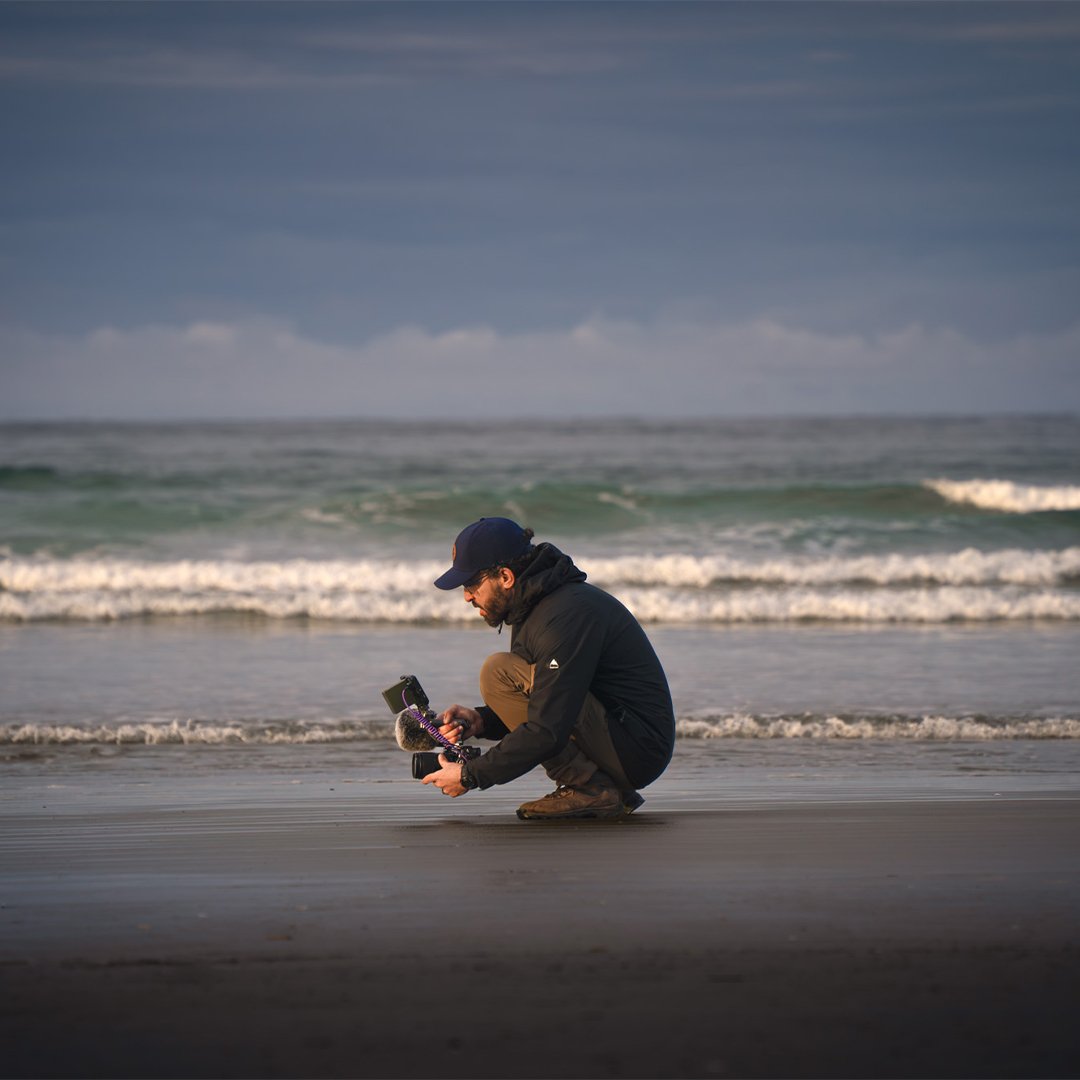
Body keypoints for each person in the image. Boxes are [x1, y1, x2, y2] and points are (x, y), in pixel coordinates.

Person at [421, 517, 676, 819]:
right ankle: (596, 788)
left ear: (505, 576)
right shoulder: (536, 607)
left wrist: (470, 775)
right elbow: (552, 700)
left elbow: (549, 727)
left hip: (636, 750)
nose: (466, 596)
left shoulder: (565, 615)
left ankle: (589, 789)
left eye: (472, 583)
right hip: (620, 739)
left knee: (497, 671)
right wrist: (482, 721)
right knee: (502, 673)